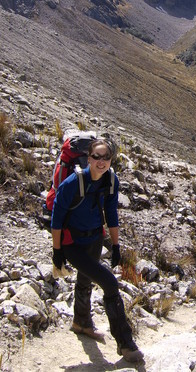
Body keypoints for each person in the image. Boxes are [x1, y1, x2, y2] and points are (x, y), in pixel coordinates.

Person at [51, 137, 144, 363]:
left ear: (111, 160)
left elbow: (111, 213)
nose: (101, 162)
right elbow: (57, 218)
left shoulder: (111, 180)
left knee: (85, 280)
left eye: (106, 157)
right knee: (110, 283)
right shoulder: (73, 182)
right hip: (72, 244)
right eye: (96, 157)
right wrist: (57, 251)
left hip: (94, 238)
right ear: (88, 158)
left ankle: (81, 322)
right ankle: (125, 343)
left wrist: (116, 245)